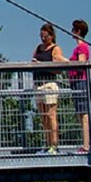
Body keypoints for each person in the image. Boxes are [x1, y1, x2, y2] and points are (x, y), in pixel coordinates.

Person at [32, 22, 69, 154]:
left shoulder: (55, 49)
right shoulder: (38, 48)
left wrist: (42, 65)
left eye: (45, 36)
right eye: (41, 36)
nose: (43, 39)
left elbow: (59, 70)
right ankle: (47, 143)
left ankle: (54, 144)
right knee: (43, 117)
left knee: (51, 115)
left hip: (49, 84)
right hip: (38, 85)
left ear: (51, 36)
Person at [69, 20, 91, 154]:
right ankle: (85, 143)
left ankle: (87, 145)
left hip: (81, 82)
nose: (71, 31)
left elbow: (81, 63)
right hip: (75, 82)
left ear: (78, 31)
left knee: (84, 114)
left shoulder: (82, 47)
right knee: (80, 114)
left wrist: (67, 63)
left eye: (73, 29)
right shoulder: (78, 48)